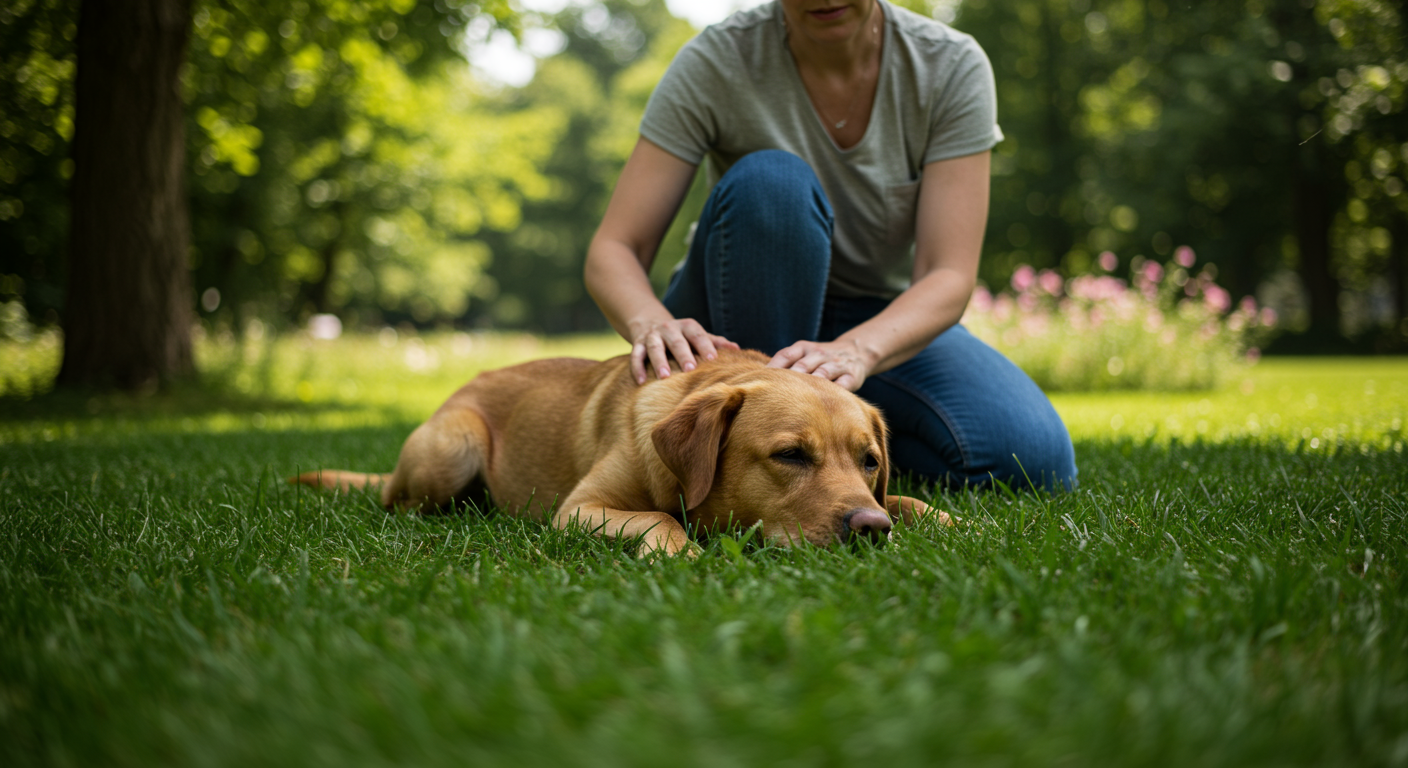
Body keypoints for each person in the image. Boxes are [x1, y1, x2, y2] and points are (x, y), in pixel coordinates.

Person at [583, 0, 1077, 492]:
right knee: (773, 183)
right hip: (734, 308)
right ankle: (759, 459)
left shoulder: (948, 64)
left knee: (1034, 461)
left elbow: (947, 274)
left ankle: (837, 453)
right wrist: (650, 321)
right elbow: (615, 247)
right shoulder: (716, 60)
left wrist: (859, 350)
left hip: (877, 322)